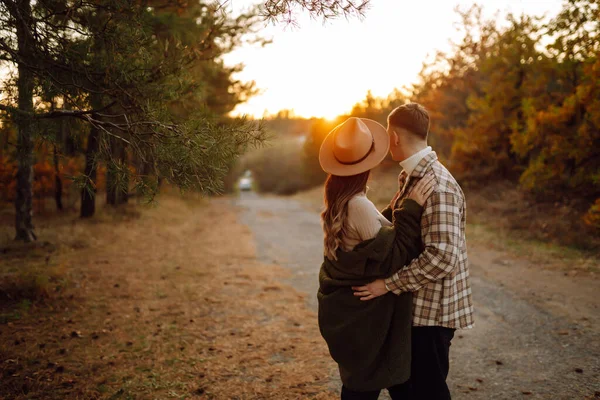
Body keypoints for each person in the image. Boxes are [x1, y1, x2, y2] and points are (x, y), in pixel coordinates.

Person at [353, 103, 474, 400]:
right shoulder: (411, 176)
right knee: (405, 388)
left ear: (394, 137)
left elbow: (442, 257)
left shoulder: (438, 186)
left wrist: (387, 285)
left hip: (432, 314)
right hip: (415, 309)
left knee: (427, 392)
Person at [317, 117, 435, 400]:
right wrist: (411, 209)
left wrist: (394, 208)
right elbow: (394, 255)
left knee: (365, 382)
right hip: (367, 314)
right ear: (367, 165)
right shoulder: (358, 205)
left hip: (356, 314)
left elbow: (373, 237)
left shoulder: (341, 199)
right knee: (366, 387)